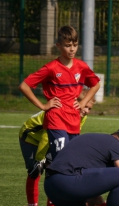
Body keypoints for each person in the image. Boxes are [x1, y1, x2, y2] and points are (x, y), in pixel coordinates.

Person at [18, 25, 100, 163]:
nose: (72, 49)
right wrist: (43, 106)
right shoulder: (50, 68)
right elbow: (24, 86)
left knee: (70, 160)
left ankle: (50, 167)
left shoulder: (82, 67)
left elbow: (96, 84)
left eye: (75, 45)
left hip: (73, 119)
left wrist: (82, 103)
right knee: (62, 159)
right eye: (68, 45)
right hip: (56, 118)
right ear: (58, 46)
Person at [19, 89, 96, 206]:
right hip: (30, 137)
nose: (86, 111)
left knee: (56, 171)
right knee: (34, 171)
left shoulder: (81, 115)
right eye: (85, 107)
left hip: (51, 137)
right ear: (75, 102)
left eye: (89, 108)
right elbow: (46, 136)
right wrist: (39, 159)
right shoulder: (60, 112)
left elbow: (71, 134)